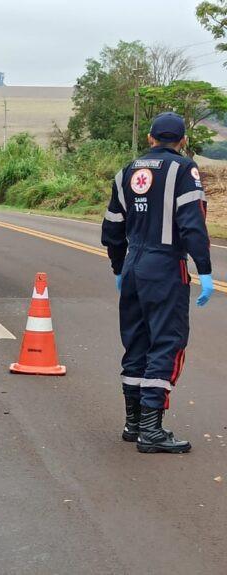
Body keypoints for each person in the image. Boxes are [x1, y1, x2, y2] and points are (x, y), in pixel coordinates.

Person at [101, 112, 215, 454]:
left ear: (150, 138)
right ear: (181, 141)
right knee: (167, 343)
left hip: (134, 264)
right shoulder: (184, 170)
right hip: (165, 266)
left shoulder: (125, 172)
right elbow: (192, 225)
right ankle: (151, 430)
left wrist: (119, 267)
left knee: (136, 342)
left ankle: (133, 423)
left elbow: (111, 229)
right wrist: (205, 270)